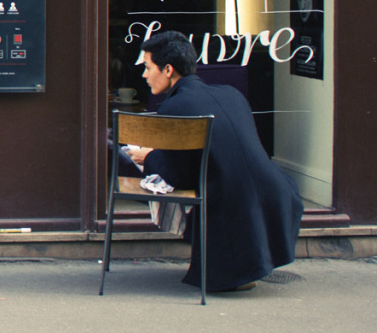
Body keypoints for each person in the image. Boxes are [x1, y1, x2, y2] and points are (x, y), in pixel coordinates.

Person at [129, 30, 303, 292]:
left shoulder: (172, 108)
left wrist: (149, 156)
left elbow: (180, 178)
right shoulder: (231, 94)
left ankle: (240, 268)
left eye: (147, 67)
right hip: (279, 194)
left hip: (233, 206)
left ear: (167, 70)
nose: (143, 75)